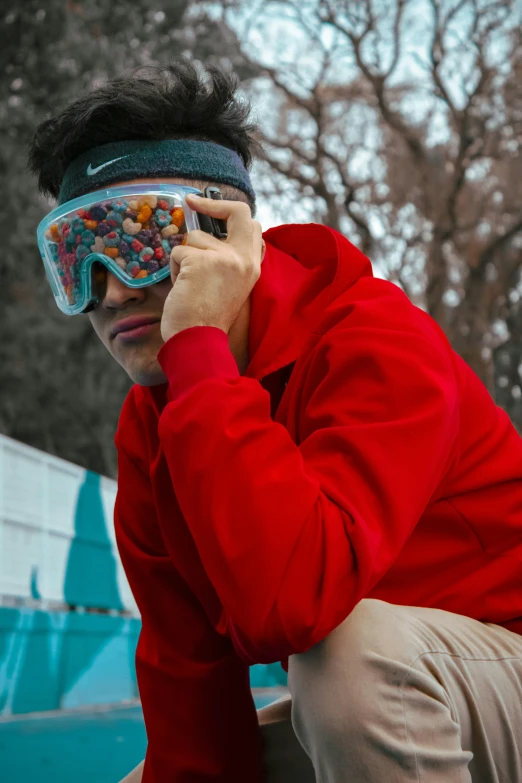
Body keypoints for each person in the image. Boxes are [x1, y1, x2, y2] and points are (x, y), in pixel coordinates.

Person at [29, 59, 522, 783]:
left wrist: (199, 350)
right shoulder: (154, 422)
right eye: (75, 254)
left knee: (351, 659)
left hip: (485, 671)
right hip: (402, 694)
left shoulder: (377, 340)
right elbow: (190, 684)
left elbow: (293, 607)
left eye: (137, 239)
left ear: (227, 237)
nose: (105, 289)